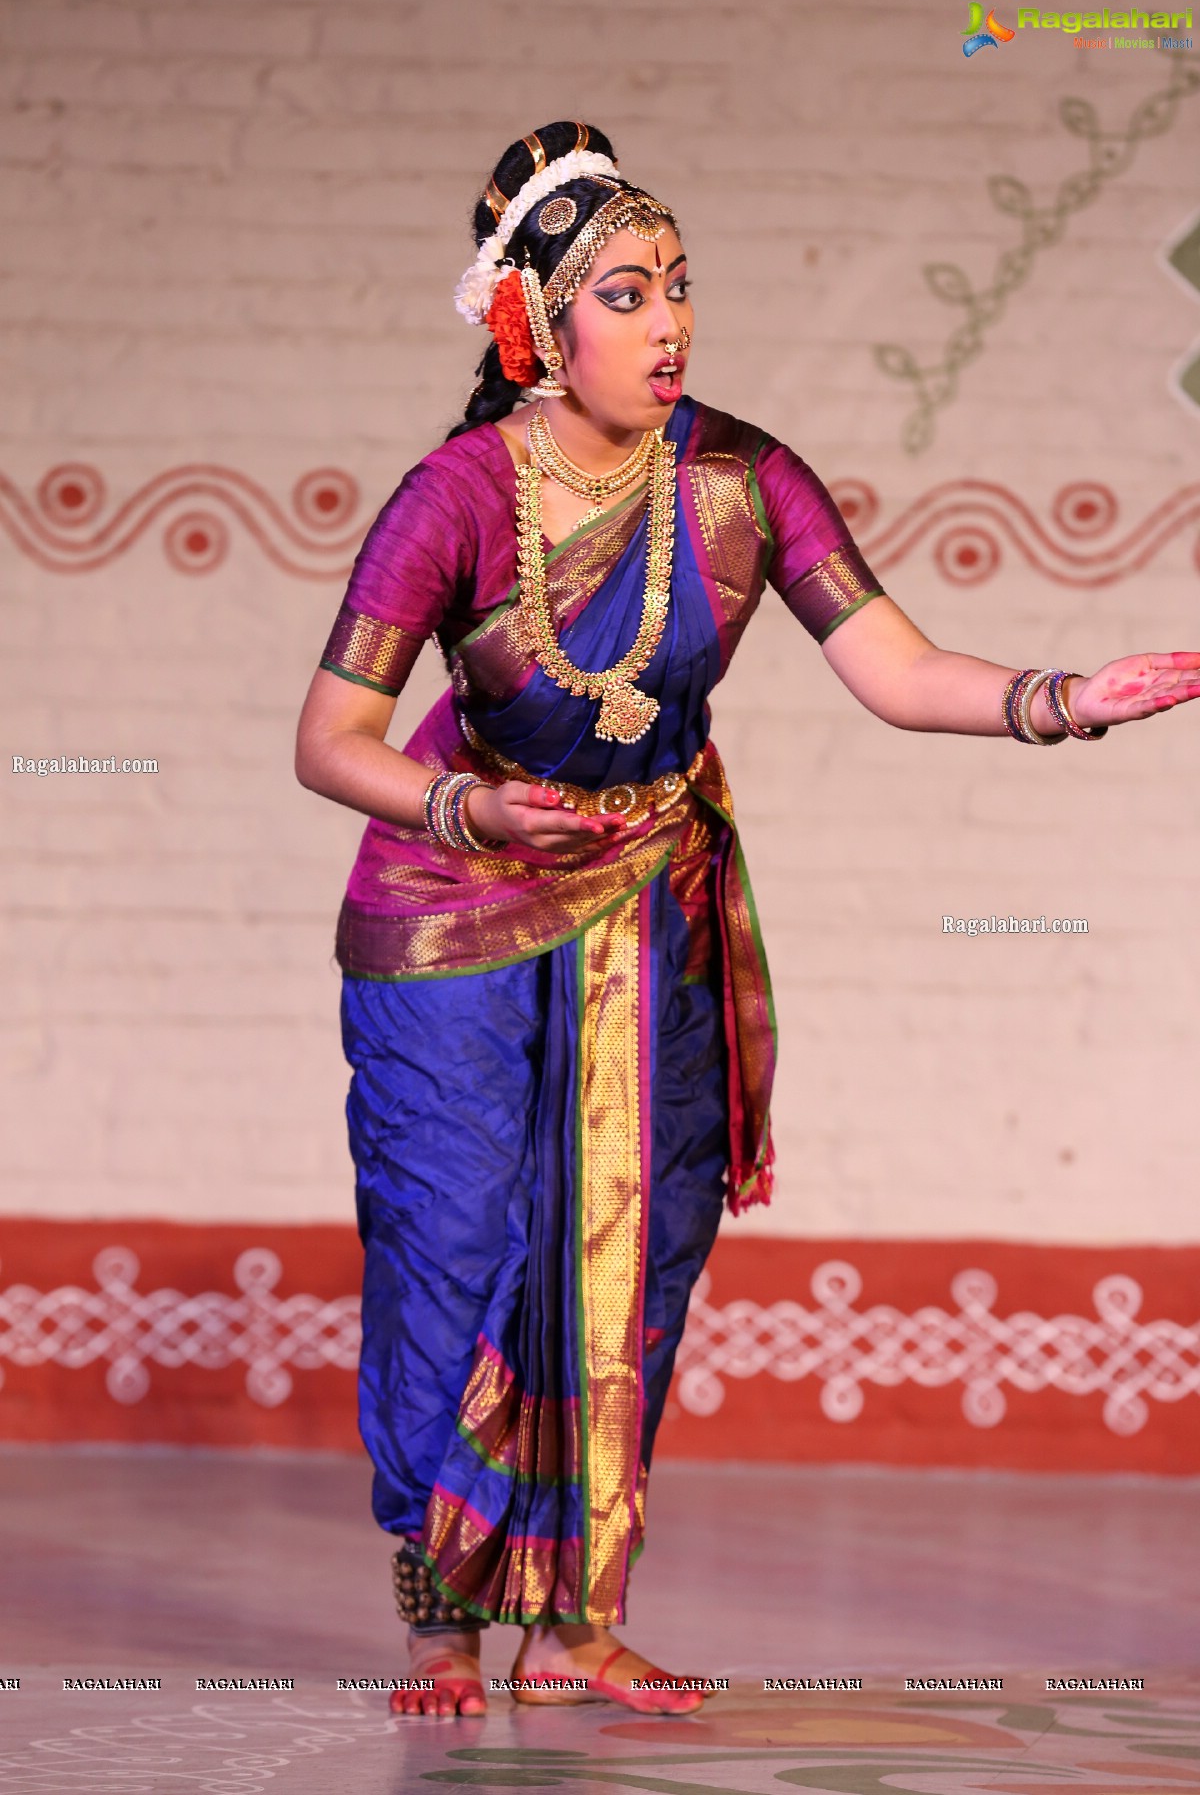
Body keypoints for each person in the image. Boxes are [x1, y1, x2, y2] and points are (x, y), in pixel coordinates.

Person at [294, 119, 1200, 1721]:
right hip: (455, 902)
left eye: (681, 289)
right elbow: (328, 743)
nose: (671, 325)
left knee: (637, 1240)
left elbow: (903, 672)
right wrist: (467, 806)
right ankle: (438, 1610)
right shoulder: (456, 498)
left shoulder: (738, 475)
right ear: (535, 328)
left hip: (649, 888)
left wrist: (1067, 699)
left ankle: (576, 1621)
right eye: (629, 295)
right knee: (454, 1245)